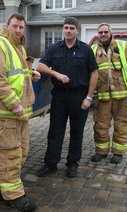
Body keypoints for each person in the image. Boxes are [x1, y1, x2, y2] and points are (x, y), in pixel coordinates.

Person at [0, 13, 40, 212]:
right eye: (14, 26)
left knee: (21, 153)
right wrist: (14, 104)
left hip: (19, 115)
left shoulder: (18, 47)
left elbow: (16, 72)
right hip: (5, 114)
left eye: (21, 27)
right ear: (6, 26)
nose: (18, 30)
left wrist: (32, 73)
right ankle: (14, 196)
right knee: (10, 156)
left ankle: (0, 188)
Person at [36, 17, 98, 178]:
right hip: (59, 97)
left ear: (77, 30)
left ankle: (72, 164)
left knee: (76, 132)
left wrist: (89, 98)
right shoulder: (55, 48)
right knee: (55, 132)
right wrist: (56, 74)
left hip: (79, 97)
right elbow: (41, 66)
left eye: (71, 28)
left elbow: (94, 73)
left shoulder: (85, 50)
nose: (68, 30)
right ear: (63, 30)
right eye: (66, 28)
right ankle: (51, 164)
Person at [90, 23, 127, 164]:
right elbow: (90, 71)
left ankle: (118, 152)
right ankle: (101, 151)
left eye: (105, 31)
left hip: (123, 94)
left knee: (120, 125)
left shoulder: (122, 46)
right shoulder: (92, 49)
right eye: (100, 32)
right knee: (100, 125)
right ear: (98, 34)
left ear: (111, 32)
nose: (103, 34)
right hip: (103, 95)